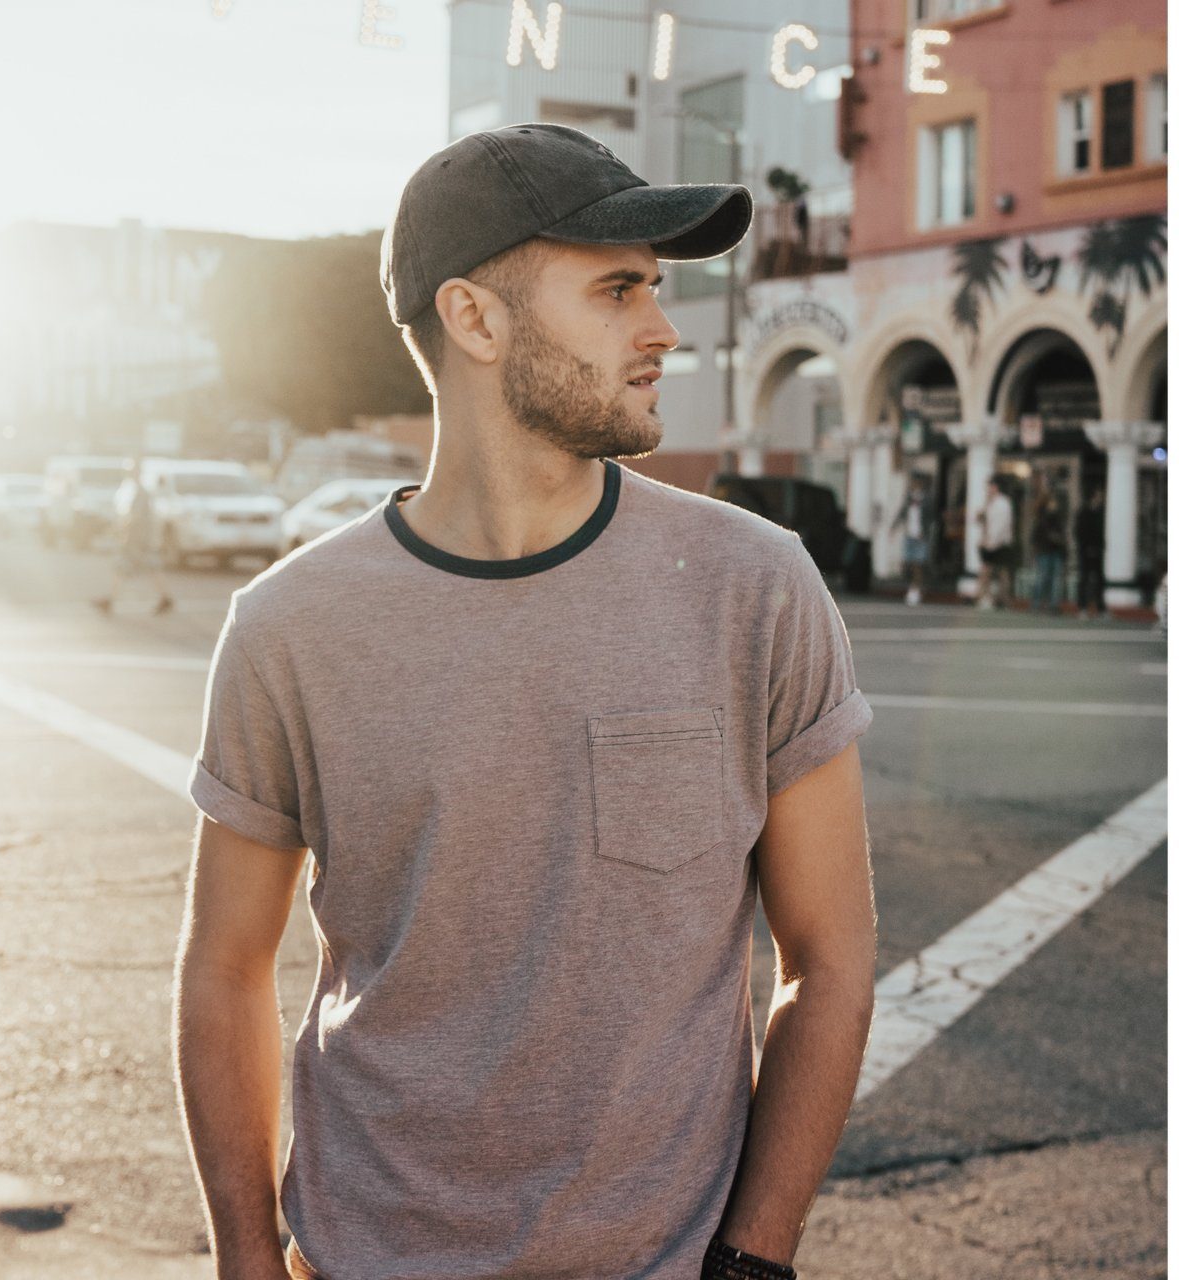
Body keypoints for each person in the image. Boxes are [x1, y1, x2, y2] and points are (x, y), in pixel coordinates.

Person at [174, 124, 876, 1280]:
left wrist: (752, 1259)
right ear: (475, 319)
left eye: (655, 288)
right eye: (614, 290)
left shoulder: (754, 588)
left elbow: (828, 957)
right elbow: (224, 967)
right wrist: (247, 1259)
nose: (661, 330)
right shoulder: (288, 626)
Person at [90, 457, 173, 616]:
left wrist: (120, 529)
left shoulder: (141, 492)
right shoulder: (138, 491)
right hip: (139, 539)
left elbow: (136, 518)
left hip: (138, 540)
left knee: (137, 567)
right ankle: (164, 598)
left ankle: (110, 600)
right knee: (136, 568)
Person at [892, 472, 934, 605]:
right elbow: (902, 512)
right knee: (908, 563)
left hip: (920, 536)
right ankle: (913, 587)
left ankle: (916, 590)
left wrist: (925, 531)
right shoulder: (909, 498)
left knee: (918, 564)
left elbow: (931, 517)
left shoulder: (927, 499)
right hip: (909, 534)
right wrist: (894, 527)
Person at [975, 473, 1014, 609]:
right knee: (987, 570)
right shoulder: (990, 503)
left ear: (995, 487)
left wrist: (992, 542)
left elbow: (1001, 525)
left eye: (990, 486)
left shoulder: (1003, 503)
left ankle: (1003, 600)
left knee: (1002, 573)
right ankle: (985, 597)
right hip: (990, 541)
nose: (988, 489)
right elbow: (984, 521)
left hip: (1000, 543)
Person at [1029, 488, 1067, 614]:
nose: (1054, 503)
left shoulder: (1057, 515)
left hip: (1056, 550)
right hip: (1044, 550)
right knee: (1043, 577)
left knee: (1055, 579)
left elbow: (1062, 532)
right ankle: (1036, 603)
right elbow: (1036, 535)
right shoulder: (1041, 516)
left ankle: (1053, 604)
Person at [1074, 484, 1107, 620]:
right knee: (1084, 579)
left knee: (1099, 580)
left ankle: (1100, 608)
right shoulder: (1084, 512)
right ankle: (1082, 608)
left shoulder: (1101, 512)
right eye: (1099, 495)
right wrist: (1086, 546)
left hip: (1098, 550)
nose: (1101, 498)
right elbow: (1079, 531)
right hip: (1085, 550)